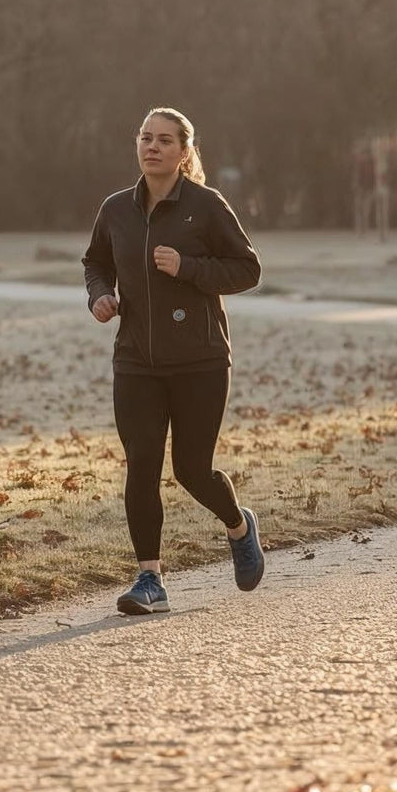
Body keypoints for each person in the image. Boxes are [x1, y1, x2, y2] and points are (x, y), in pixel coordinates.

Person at [82, 107, 265, 615]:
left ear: (185, 153)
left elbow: (247, 269)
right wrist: (99, 295)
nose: (153, 146)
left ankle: (238, 525)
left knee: (191, 469)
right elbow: (94, 261)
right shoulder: (116, 209)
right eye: (146, 137)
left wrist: (188, 267)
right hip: (136, 359)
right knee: (141, 464)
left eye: (165, 140)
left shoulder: (206, 206)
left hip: (200, 361)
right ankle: (149, 579)